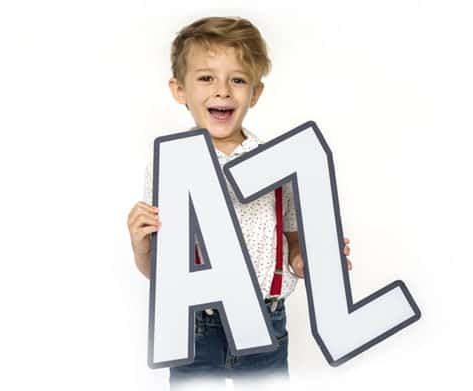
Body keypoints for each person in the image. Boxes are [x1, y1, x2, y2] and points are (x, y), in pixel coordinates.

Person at [127, 16, 353, 389]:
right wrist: (139, 246)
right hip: (196, 327)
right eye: (205, 78)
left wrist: (309, 260)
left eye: (237, 79)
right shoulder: (169, 166)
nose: (223, 91)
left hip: (265, 322)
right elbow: (160, 273)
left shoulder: (279, 164)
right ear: (179, 89)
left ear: (255, 92)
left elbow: (293, 245)